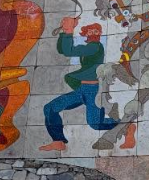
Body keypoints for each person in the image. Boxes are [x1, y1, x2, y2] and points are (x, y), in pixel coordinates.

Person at [39, 17, 134, 151]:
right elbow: (63, 50)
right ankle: (58, 141)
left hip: (92, 91)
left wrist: (69, 30)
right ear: (85, 33)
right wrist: (64, 32)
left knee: (95, 124)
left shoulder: (95, 47)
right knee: (50, 108)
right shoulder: (88, 47)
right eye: (90, 31)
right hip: (81, 90)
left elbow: (69, 51)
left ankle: (127, 126)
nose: (93, 33)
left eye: (96, 31)